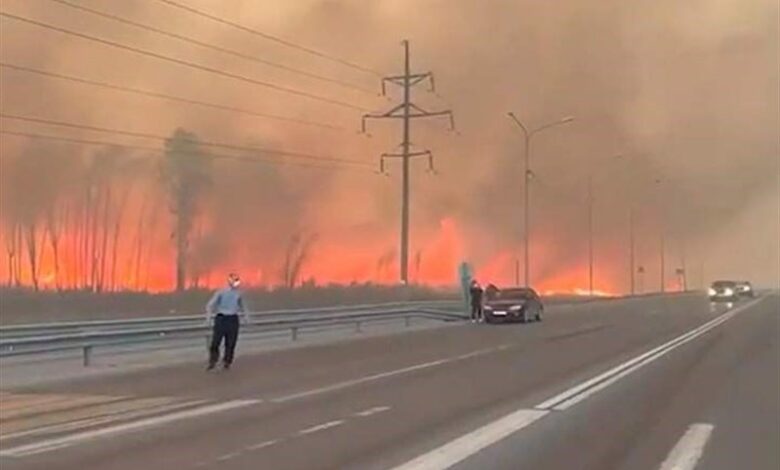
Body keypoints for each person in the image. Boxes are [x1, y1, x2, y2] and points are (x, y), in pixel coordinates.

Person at [205, 273, 246, 370]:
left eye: (237, 280)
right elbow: (210, 304)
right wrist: (208, 318)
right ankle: (213, 361)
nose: (236, 283)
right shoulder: (221, 291)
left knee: (231, 343)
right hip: (221, 318)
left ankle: (227, 362)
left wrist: (246, 317)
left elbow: (243, 306)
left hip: (233, 318)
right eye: (234, 280)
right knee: (216, 342)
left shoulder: (239, 293)